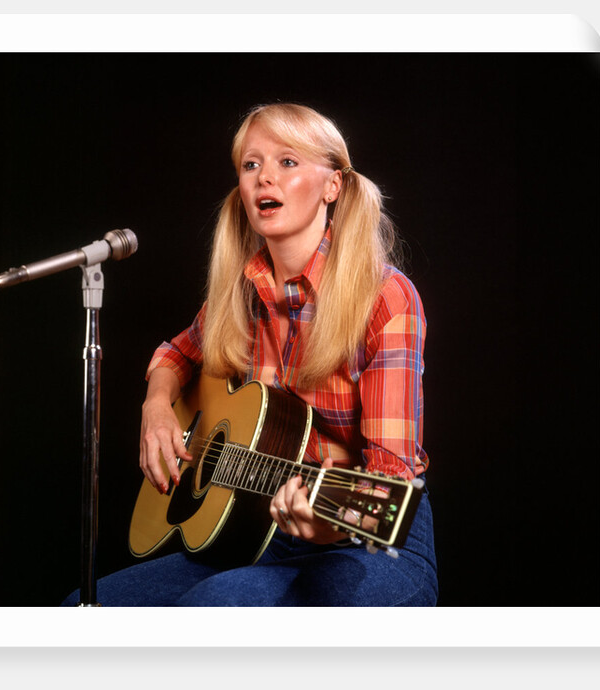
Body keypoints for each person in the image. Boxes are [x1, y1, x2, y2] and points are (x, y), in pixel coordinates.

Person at [63, 102, 437, 606]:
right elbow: (176, 353)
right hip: (258, 533)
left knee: (216, 606)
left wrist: (323, 522)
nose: (265, 178)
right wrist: (156, 407)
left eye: (288, 161)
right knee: (79, 609)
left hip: (368, 545)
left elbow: (389, 483)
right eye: (251, 164)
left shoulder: (385, 297)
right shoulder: (241, 292)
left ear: (333, 185)